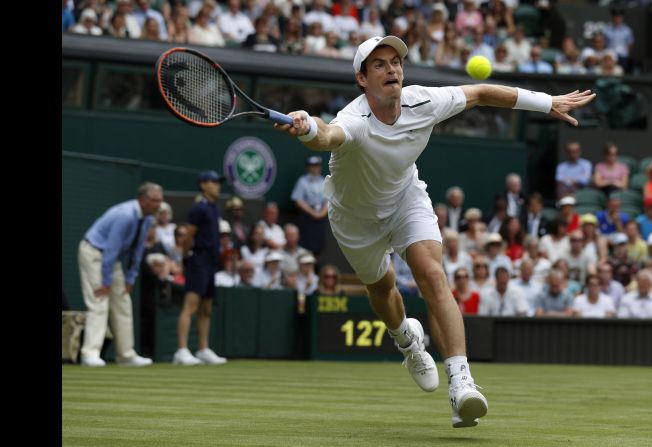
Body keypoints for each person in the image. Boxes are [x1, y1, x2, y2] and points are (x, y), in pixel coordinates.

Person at [273, 35, 595, 428]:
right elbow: (328, 135)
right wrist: (309, 129)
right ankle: (408, 342)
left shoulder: (423, 100)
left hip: (406, 199)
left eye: (396, 62)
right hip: (355, 218)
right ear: (362, 78)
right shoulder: (353, 120)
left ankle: (462, 384)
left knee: (431, 275)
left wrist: (548, 102)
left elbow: (479, 93)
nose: (392, 69)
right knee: (382, 289)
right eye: (379, 64)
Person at [78, 182, 162, 367]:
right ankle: (90, 354)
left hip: (110, 258)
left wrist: (130, 277)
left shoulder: (147, 219)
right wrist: (107, 282)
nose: (159, 204)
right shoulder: (125, 215)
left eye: (160, 200)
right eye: (155, 201)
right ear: (143, 200)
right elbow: (111, 248)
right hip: (94, 253)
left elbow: (138, 250)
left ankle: (125, 355)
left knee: (123, 302)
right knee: (99, 301)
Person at [173, 171, 228, 366]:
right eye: (213, 182)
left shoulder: (214, 208)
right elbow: (188, 236)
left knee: (206, 308)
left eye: (217, 183)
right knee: (191, 305)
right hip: (198, 260)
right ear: (203, 185)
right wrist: (186, 257)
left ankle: (203, 349)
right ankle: (181, 350)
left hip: (211, 263)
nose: (217, 186)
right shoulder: (199, 208)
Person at [291, 155, 329, 256]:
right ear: (308, 167)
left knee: (318, 247)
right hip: (307, 217)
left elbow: (328, 200)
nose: (315, 168)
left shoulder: (324, 181)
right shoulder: (302, 181)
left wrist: (322, 213)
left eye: (317, 166)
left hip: (321, 216)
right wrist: (313, 213)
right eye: (312, 166)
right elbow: (298, 200)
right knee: (305, 245)